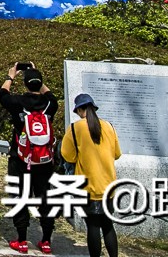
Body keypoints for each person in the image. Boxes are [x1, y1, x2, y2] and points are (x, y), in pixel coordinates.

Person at [0, 63, 60, 254]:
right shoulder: (50, 104)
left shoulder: (17, 102)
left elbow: (2, 95)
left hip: (21, 158)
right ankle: (46, 241)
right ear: (40, 83)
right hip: (44, 161)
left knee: (20, 196)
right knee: (44, 197)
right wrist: (36, 75)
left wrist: (11, 75)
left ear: (24, 84)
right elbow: (49, 95)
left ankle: (22, 241)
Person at [60, 93, 123, 257]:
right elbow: (117, 154)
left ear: (80, 110)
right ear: (93, 108)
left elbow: (67, 155)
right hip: (109, 185)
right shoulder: (109, 126)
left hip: (88, 186)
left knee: (93, 227)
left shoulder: (75, 128)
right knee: (108, 225)